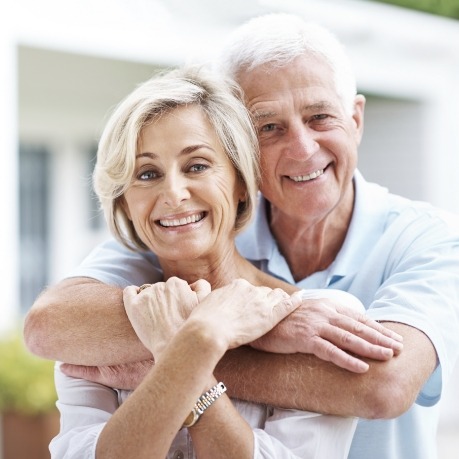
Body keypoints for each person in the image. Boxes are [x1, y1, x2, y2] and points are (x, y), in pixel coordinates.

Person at [24, 13, 459, 459]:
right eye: (269, 126)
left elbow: (380, 389)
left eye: (320, 117)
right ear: (243, 152)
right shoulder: (179, 228)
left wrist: (180, 357)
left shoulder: (430, 241)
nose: (303, 148)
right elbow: (49, 326)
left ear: (355, 119)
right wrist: (234, 329)